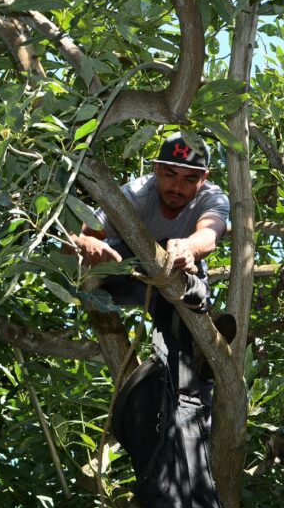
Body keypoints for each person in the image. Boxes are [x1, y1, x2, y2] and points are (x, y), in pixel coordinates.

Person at [70, 132, 234, 383]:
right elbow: (82, 236)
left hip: (171, 289)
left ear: (204, 178)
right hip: (124, 274)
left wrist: (188, 248)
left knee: (195, 278)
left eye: (189, 179)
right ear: (156, 169)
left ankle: (198, 341)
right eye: (169, 174)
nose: (177, 187)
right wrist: (88, 243)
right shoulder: (135, 194)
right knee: (123, 252)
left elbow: (209, 233)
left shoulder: (213, 198)